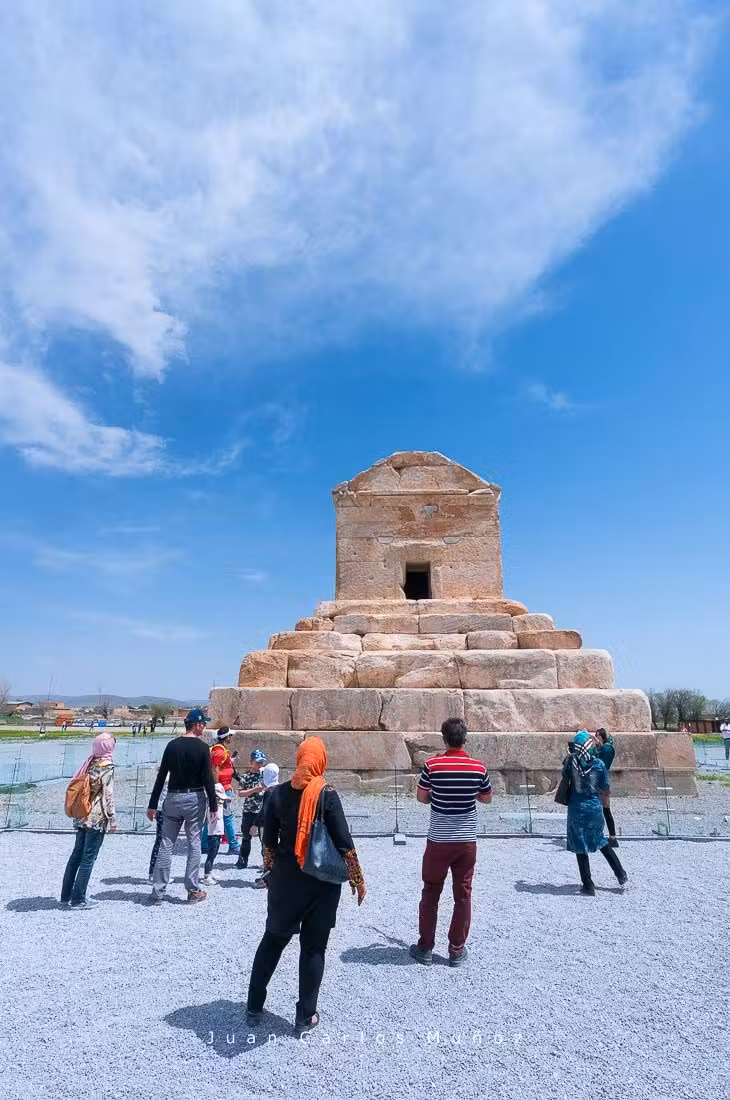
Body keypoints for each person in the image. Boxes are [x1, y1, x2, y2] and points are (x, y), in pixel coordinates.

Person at [246, 737, 366, 1034]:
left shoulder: (277, 793)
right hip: (321, 883)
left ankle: (253, 1005)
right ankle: (305, 1015)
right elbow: (344, 843)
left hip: (286, 881)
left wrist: (270, 869)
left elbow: (268, 841)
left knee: (273, 940)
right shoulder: (326, 793)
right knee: (314, 948)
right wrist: (357, 878)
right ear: (321, 760)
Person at [409, 718, 492, 968]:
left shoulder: (432, 765)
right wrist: (469, 793)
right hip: (466, 841)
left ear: (444, 738)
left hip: (439, 840)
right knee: (463, 894)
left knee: (431, 891)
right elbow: (487, 799)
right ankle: (456, 949)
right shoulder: (478, 768)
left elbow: (422, 798)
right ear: (464, 739)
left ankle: (425, 946)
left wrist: (439, 793)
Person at [146, 708, 217, 904]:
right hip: (194, 798)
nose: (204, 727)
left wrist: (152, 805)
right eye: (203, 724)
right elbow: (208, 779)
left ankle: (158, 891)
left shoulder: (172, 746)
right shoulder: (203, 748)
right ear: (198, 724)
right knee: (194, 843)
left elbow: (161, 777)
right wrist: (213, 805)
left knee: (166, 843)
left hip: (173, 798)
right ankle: (192, 889)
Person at [563, 730, 628, 895]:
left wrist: (570, 755)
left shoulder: (571, 763)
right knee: (600, 840)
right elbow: (605, 787)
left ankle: (588, 884)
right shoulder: (598, 764)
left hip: (577, 808)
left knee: (580, 845)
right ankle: (620, 873)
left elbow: (565, 774)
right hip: (594, 806)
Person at [61, 733, 117, 909]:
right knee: (88, 858)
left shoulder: (89, 763)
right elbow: (108, 794)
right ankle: (78, 899)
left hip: (81, 815)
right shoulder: (106, 766)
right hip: (96, 817)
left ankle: (66, 895)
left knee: (76, 856)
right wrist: (113, 817)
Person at [208, 727, 240, 855]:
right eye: (230, 736)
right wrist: (217, 787)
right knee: (227, 816)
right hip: (223, 788)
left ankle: (205, 844)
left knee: (214, 816)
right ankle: (233, 844)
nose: (231, 738)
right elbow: (215, 769)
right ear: (226, 737)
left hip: (223, 786)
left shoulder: (221, 750)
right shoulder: (220, 751)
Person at [236, 749, 267, 869]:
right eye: (257, 762)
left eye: (261, 762)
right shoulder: (245, 777)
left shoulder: (264, 775)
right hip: (249, 811)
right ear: (251, 762)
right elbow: (240, 793)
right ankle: (243, 861)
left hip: (261, 811)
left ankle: (266, 864)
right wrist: (254, 790)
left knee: (264, 839)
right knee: (246, 837)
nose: (260, 765)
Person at [253, 763, 280, 887]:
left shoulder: (269, 791)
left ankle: (266, 879)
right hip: (277, 825)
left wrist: (255, 824)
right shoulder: (280, 788)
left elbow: (264, 810)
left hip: (267, 825)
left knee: (267, 851)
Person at [594, 728, 619, 847]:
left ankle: (608, 837)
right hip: (601, 782)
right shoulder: (606, 748)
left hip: (601, 783)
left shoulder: (606, 748)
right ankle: (611, 837)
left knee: (603, 810)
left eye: (598, 736)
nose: (597, 738)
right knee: (604, 810)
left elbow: (597, 761)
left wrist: (596, 747)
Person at [201, 782, 229, 886]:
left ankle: (210, 871)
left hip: (218, 833)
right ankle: (206, 875)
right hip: (213, 834)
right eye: (219, 798)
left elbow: (227, 813)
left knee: (215, 853)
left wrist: (227, 803)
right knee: (211, 854)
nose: (221, 800)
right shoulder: (210, 808)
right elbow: (211, 819)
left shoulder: (220, 805)